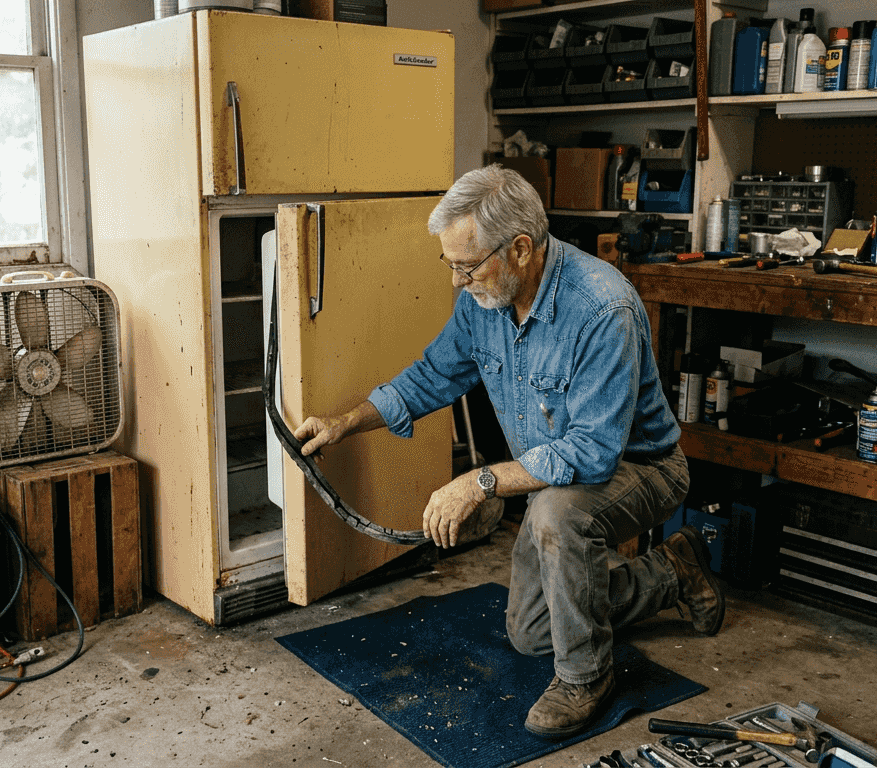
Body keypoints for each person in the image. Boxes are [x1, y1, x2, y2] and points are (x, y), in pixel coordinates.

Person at [292, 165, 725, 739]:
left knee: (554, 517)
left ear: (520, 249)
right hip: (559, 476)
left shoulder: (602, 308)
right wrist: (346, 423)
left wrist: (478, 481)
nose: (456, 281)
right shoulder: (484, 302)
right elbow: (432, 376)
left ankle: (586, 676)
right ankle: (671, 573)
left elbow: (594, 453)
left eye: (466, 266)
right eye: (450, 264)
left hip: (640, 467)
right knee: (530, 630)